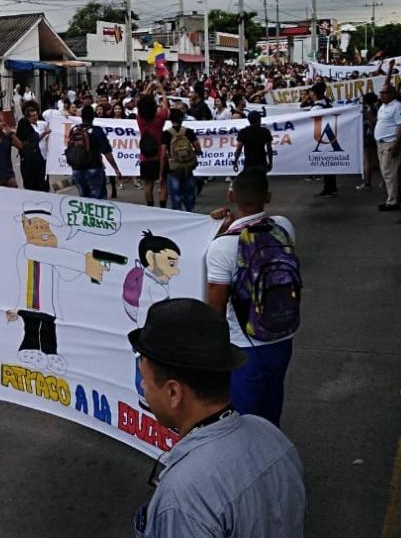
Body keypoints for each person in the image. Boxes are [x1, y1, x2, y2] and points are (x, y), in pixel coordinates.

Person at [130, 298, 305, 537]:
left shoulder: (184, 495)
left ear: (173, 392)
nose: (143, 388)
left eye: (145, 380)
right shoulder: (271, 435)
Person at [204, 168, 298, 427]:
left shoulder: (222, 245)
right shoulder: (284, 227)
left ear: (230, 195)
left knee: (242, 422)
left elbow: (216, 306)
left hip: (244, 346)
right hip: (283, 336)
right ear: (267, 196)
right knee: (271, 410)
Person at [67, 105, 122, 200]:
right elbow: (107, 152)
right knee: (98, 199)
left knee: (84, 199)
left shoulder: (74, 130)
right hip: (94, 168)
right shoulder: (97, 131)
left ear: (81, 117)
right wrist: (116, 168)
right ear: (93, 117)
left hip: (77, 169)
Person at [374, 84, 401, 211]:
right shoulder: (383, 107)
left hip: (391, 143)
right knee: (386, 173)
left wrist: (396, 146)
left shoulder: (398, 107)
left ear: (392, 94)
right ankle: (393, 197)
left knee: (390, 173)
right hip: (381, 143)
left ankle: (393, 202)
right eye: (381, 93)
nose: (382, 95)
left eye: (385, 93)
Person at [136, 85, 170, 208]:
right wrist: (161, 90)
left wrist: (147, 88)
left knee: (148, 184)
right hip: (160, 156)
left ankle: (150, 206)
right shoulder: (160, 118)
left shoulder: (140, 119)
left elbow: (140, 103)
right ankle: (162, 206)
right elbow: (166, 105)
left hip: (145, 157)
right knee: (163, 182)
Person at [161, 109, 201, 213]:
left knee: (176, 197)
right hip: (188, 168)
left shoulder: (166, 134)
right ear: (182, 119)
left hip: (173, 169)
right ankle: (190, 215)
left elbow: (163, 154)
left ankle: (178, 217)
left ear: (170, 119)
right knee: (189, 197)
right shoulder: (188, 132)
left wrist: (161, 173)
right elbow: (198, 149)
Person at [311, 82, 338, 198]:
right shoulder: (328, 103)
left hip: (322, 136)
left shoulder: (317, 107)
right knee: (329, 161)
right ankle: (332, 187)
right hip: (331, 135)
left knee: (325, 163)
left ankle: (329, 189)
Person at [16, 102, 50, 192]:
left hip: (43, 158)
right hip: (31, 162)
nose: (35, 117)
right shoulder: (26, 127)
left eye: (36, 115)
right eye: (33, 116)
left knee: (44, 184)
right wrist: (44, 134)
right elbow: (33, 139)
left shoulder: (42, 124)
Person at [357, 93, 379, 191]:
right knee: (376, 160)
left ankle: (367, 183)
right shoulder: (378, 108)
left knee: (367, 161)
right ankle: (383, 181)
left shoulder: (369, 110)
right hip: (375, 136)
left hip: (368, 137)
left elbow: (373, 121)